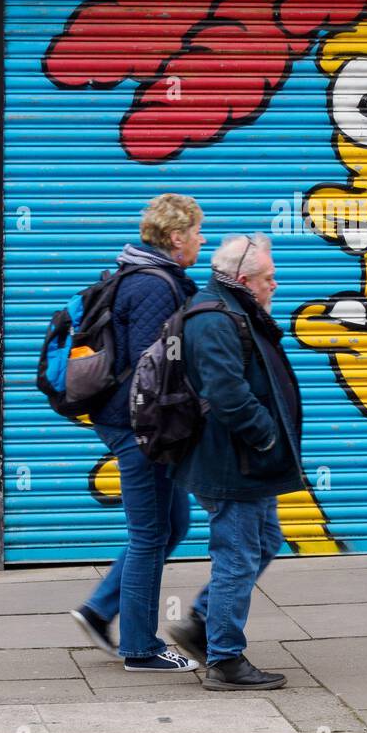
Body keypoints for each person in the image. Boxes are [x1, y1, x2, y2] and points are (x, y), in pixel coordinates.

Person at [69, 194, 205, 672]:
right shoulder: (154, 286)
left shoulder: (148, 276)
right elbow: (155, 369)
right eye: (196, 233)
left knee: (174, 526)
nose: (201, 241)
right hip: (138, 425)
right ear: (175, 237)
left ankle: (98, 609)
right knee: (150, 534)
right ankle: (141, 648)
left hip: (130, 420)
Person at [166, 233, 304, 690]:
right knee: (238, 556)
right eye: (270, 278)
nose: (275, 286)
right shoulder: (215, 318)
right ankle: (225, 660)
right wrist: (265, 435)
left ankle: (202, 622)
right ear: (244, 279)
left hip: (246, 461)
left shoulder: (235, 309)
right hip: (232, 463)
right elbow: (226, 394)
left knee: (264, 542)